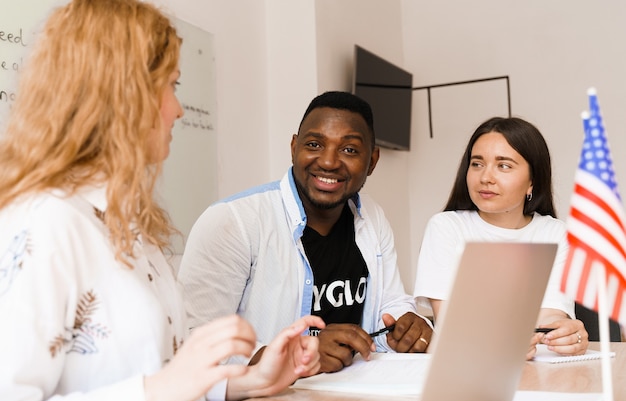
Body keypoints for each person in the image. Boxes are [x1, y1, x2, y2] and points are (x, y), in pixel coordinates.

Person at [0, 1, 324, 401]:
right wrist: (161, 390)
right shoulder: (43, 222)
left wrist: (249, 381)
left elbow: (162, 383)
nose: (178, 109)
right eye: (171, 85)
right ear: (123, 93)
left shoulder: (126, 224)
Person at [179, 91, 433, 374]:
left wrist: (405, 325)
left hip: (354, 392)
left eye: (349, 150)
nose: (328, 161)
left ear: (372, 161)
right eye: (314, 144)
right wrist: (295, 355)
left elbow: (390, 302)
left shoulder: (372, 217)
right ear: (294, 147)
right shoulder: (233, 222)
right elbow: (195, 340)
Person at [413, 116, 589, 359]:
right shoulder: (446, 227)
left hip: (535, 368)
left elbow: (551, 316)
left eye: (503, 165)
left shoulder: (555, 233)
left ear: (532, 182)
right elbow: (452, 323)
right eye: (477, 164)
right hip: (463, 368)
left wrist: (565, 335)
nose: (486, 177)